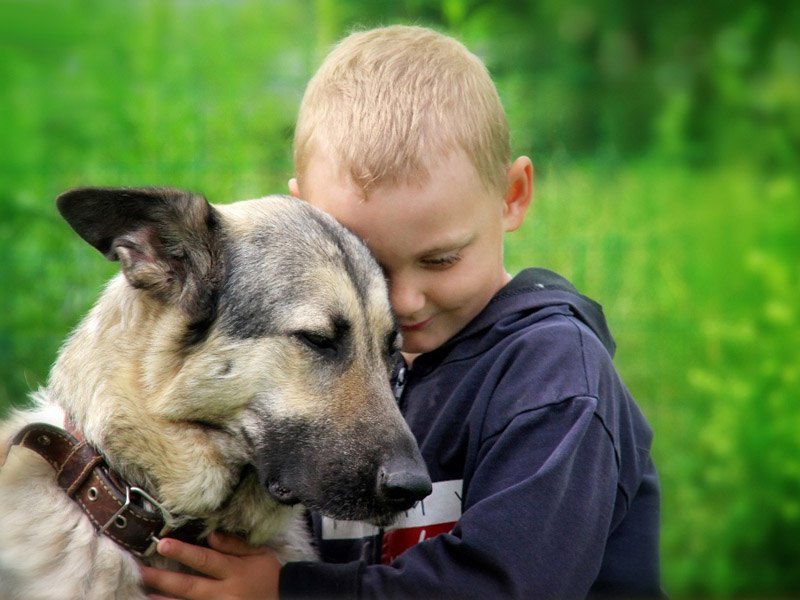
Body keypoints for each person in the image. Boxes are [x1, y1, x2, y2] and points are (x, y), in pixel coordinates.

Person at [142, 25, 662, 599]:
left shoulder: (554, 376)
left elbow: (507, 586)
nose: (405, 300)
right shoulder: (342, 369)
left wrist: (289, 593)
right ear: (305, 218)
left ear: (512, 195)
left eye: (440, 259)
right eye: (370, 264)